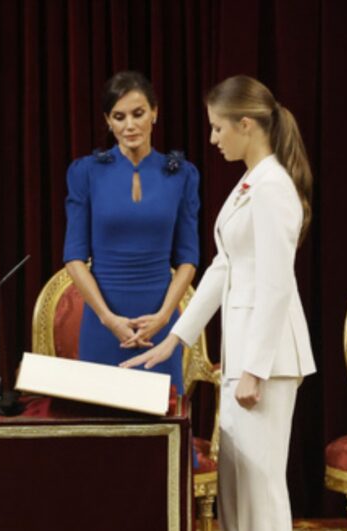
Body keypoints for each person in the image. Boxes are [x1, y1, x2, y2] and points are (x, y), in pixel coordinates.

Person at [121, 75, 317, 531]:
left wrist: (256, 369)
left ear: (245, 124)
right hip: (244, 356)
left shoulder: (272, 187)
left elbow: (275, 284)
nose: (212, 139)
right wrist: (174, 337)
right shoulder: (251, 182)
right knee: (237, 488)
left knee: (260, 489)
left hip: (264, 361)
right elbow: (223, 267)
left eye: (217, 128)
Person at [63, 71, 200, 394]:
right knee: (103, 431)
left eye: (138, 114)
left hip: (160, 323)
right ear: (108, 121)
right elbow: (73, 256)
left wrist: (164, 316)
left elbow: (188, 258)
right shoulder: (85, 172)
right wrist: (109, 319)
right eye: (119, 117)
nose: (129, 125)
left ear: (155, 112)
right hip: (103, 324)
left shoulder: (182, 175)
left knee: (162, 425)